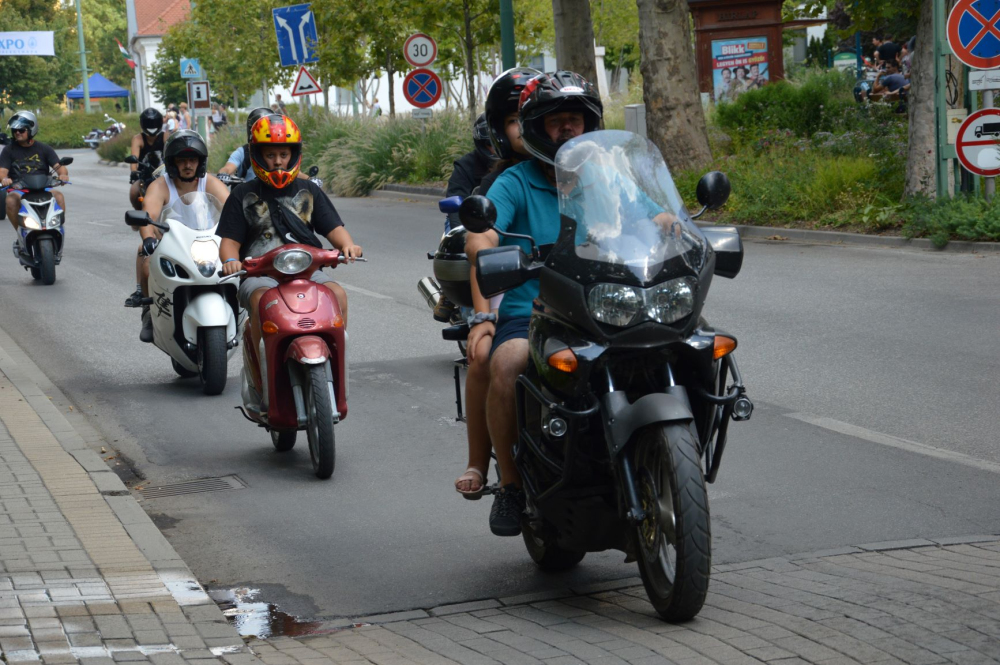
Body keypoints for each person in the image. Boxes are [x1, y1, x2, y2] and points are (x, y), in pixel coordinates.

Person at [465, 71, 602, 535]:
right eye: (556, 121)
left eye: (575, 120)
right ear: (537, 128)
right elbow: (483, 233)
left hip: (603, 307)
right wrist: (484, 246)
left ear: (589, 125)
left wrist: (669, 223)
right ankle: (510, 485)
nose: (567, 129)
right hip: (532, 312)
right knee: (506, 363)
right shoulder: (515, 181)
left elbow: (648, 211)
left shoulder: (604, 175)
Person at [217, 114, 362, 405]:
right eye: (270, 155)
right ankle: (264, 378)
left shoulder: (310, 191)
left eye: (283, 154)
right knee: (260, 301)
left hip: (306, 270)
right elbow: (229, 243)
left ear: (294, 154)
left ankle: (334, 369)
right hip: (259, 274)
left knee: (338, 295)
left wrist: (348, 246)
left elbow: (334, 229)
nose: (278, 162)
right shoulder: (242, 194)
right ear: (257, 155)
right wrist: (231, 261)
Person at [453, 67, 539, 499]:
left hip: (582, 295)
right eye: (513, 120)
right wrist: (483, 317)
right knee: (486, 356)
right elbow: (481, 253)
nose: (524, 128)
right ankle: (486, 465)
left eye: (531, 117)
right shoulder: (501, 183)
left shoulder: (590, 174)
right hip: (511, 293)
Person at [134, 130, 231, 342]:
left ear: (200, 161)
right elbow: (148, 216)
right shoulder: (160, 186)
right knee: (146, 260)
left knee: (238, 267)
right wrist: (148, 238)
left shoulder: (210, 182)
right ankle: (148, 311)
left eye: (193, 159)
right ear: (172, 162)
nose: (188, 165)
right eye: (182, 160)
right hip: (172, 245)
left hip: (208, 243)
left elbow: (231, 209)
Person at [0, 112, 68, 234]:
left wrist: (63, 175)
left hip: (43, 188)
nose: (17, 133)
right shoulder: (8, 150)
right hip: (19, 188)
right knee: (10, 200)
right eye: (15, 130)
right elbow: (2, 171)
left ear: (31, 130)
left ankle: (57, 230)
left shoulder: (44, 148)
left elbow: (59, 166)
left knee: (59, 196)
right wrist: (4, 179)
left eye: (21, 130)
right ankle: (20, 234)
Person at [218, 107, 275, 182]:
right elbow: (228, 167)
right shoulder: (243, 152)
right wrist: (223, 174)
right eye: (259, 130)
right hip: (248, 189)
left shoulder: (280, 150)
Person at [128, 108, 165, 210]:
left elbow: (172, 152)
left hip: (164, 174)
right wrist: (134, 172)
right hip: (144, 175)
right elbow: (134, 159)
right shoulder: (138, 139)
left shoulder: (165, 136)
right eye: (149, 123)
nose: (152, 125)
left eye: (154, 122)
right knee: (134, 191)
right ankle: (138, 214)